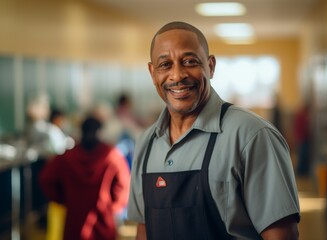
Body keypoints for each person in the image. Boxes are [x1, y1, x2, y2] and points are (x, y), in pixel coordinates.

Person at [127, 21, 300, 240]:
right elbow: (144, 230)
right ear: (152, 72)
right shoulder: (146, 143)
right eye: (165, 65)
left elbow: (281, 236)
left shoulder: (251, 135)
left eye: (189, 62)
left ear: (210, 66)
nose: (177, 75)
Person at [39, 116, 131, 240]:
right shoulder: (112, 157)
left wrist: (62, 198)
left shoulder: (67, 157)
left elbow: (46, 179)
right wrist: (112, 207)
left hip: (74, 221)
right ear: (100, 132)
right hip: (103, 222)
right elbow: (124, 185)